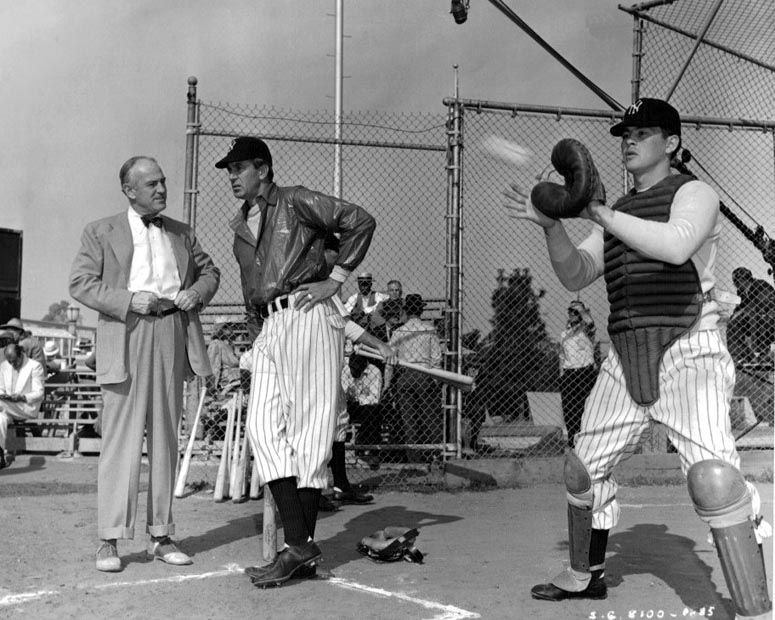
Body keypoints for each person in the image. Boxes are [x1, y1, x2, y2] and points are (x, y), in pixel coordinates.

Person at [504, 98, 771, 617]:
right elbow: (577, 274)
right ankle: (584, 576)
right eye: (625, 133)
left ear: (670, 144)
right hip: (625, 354)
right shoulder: (619, 212)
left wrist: (595, 210)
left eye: (643, 133)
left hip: (688, 348)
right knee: (582, 470)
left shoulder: (695, 194)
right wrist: (552, 225)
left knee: (715, 481)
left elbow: (674, 246)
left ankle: (755, 607)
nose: (629, 140)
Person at [217, 136, 376, 587]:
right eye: (229, 169)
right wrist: (255, 340)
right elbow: (252, 292)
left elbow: (360, 221)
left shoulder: (295, 199)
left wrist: (336, 279)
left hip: (308, 314)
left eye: (240, 167)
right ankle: (301, 546)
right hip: (269, 328)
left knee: (308, 436)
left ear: (263, 170)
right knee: (263, 430)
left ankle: (297, 549)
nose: (232, 176)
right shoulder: (239, 228)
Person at [70, 155, 220, 573]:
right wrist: (126, 300)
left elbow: (211, 273)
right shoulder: (100, 231)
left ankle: (162, 534)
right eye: (151, 183)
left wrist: (198, 294)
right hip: (127, 332)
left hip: (173, 330)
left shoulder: (182, 233)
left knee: (166, 438)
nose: (161, 190)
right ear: (129, 190)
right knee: (121, 439)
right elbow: (81, 283)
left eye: (163, 182)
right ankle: (109, 539)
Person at [387, 294, 443, 462]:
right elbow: (436, 359)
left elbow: (390, 361)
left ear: (406, 310)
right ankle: (435, 454)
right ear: (421, 310)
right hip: (425, 375)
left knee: (409, 420)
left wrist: (388, 383)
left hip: (404, 375)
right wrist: (436, 381)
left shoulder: (398, 332)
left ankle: (414, 459)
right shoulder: (429, 329)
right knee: (430, 418)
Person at [558, 300, 598, 448]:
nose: (572, 314)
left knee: (585, 407)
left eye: (576, 312)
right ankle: (572, 440)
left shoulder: (586, 330)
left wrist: (581, 310)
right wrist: (561, 374)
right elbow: (561, 356)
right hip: (569, 374)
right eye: (571, 311)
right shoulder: (564, 334)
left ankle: (586, 439)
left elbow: (590, 323)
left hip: (585, 372)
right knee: (569, 408)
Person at [0, 340, 45, 469]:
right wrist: (4, 395)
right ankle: (0, 455)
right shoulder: (4, 366)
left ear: (21, 355)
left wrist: (22, 397)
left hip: (25, 407)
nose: (12, 364)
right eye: (9, 361)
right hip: (7, 408)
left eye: (14, 361)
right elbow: (1, 388)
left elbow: (39, 393)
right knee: (0, 419)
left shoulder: (35, 366)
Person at [730, 267, 775, 361]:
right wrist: (734, 316)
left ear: (742, 280)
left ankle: (762, 355)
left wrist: (743, 311)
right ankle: (742, 355)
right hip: (754, 319)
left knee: (757, 316)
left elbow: (763, 305)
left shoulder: (760, 285)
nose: (735, 285)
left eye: (736, 282)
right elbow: (740, 307)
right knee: (734, 323)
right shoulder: (742, 292)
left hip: (769, 317)